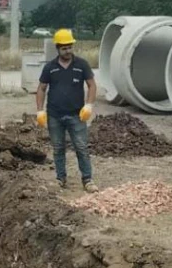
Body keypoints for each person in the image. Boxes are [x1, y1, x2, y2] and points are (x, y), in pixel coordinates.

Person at [36, 28, 98, 193]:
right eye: (64, 48)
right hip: (55, 115)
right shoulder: (50, 67)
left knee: (81, 147)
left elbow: (92, 85)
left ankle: (87, 179)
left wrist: (89, 105)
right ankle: (60, 178)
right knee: (58, 148)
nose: (68, 50)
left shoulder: (81, 65)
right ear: (57, 48)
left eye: (70, 47)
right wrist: (39, 111)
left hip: (76, 115)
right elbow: (41, 89)